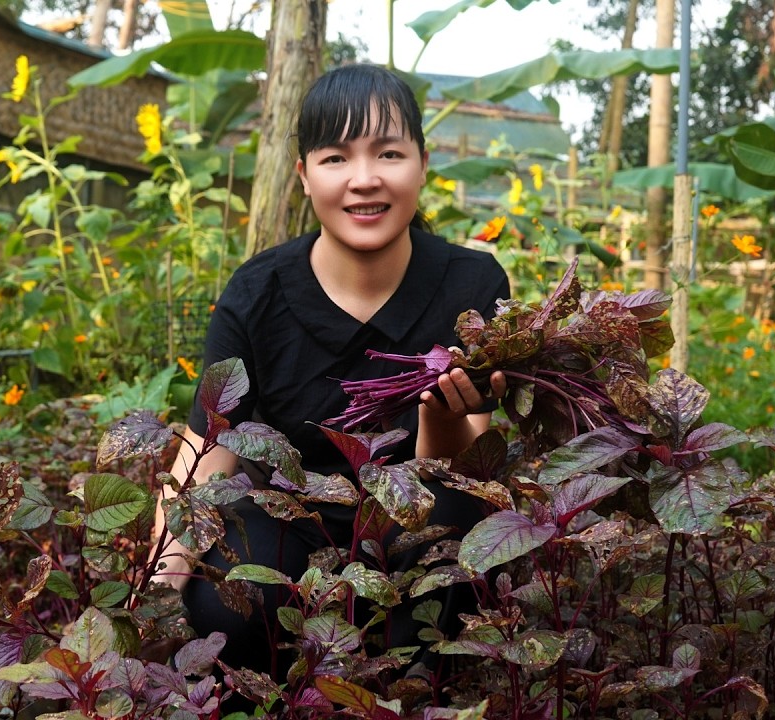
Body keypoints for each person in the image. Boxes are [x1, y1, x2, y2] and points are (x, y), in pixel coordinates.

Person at [148, 63, 511, 688]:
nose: (364, 180)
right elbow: (208, 445)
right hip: (289, 514)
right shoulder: (256, 293)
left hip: (419, 513)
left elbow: (464, 465)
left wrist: (440, 416)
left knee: (445, 576)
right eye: (336, 158)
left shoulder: (473, 284)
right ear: (304, 176)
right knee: (226, 606)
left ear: (422, 165)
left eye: (389, 153)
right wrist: (154, 580)